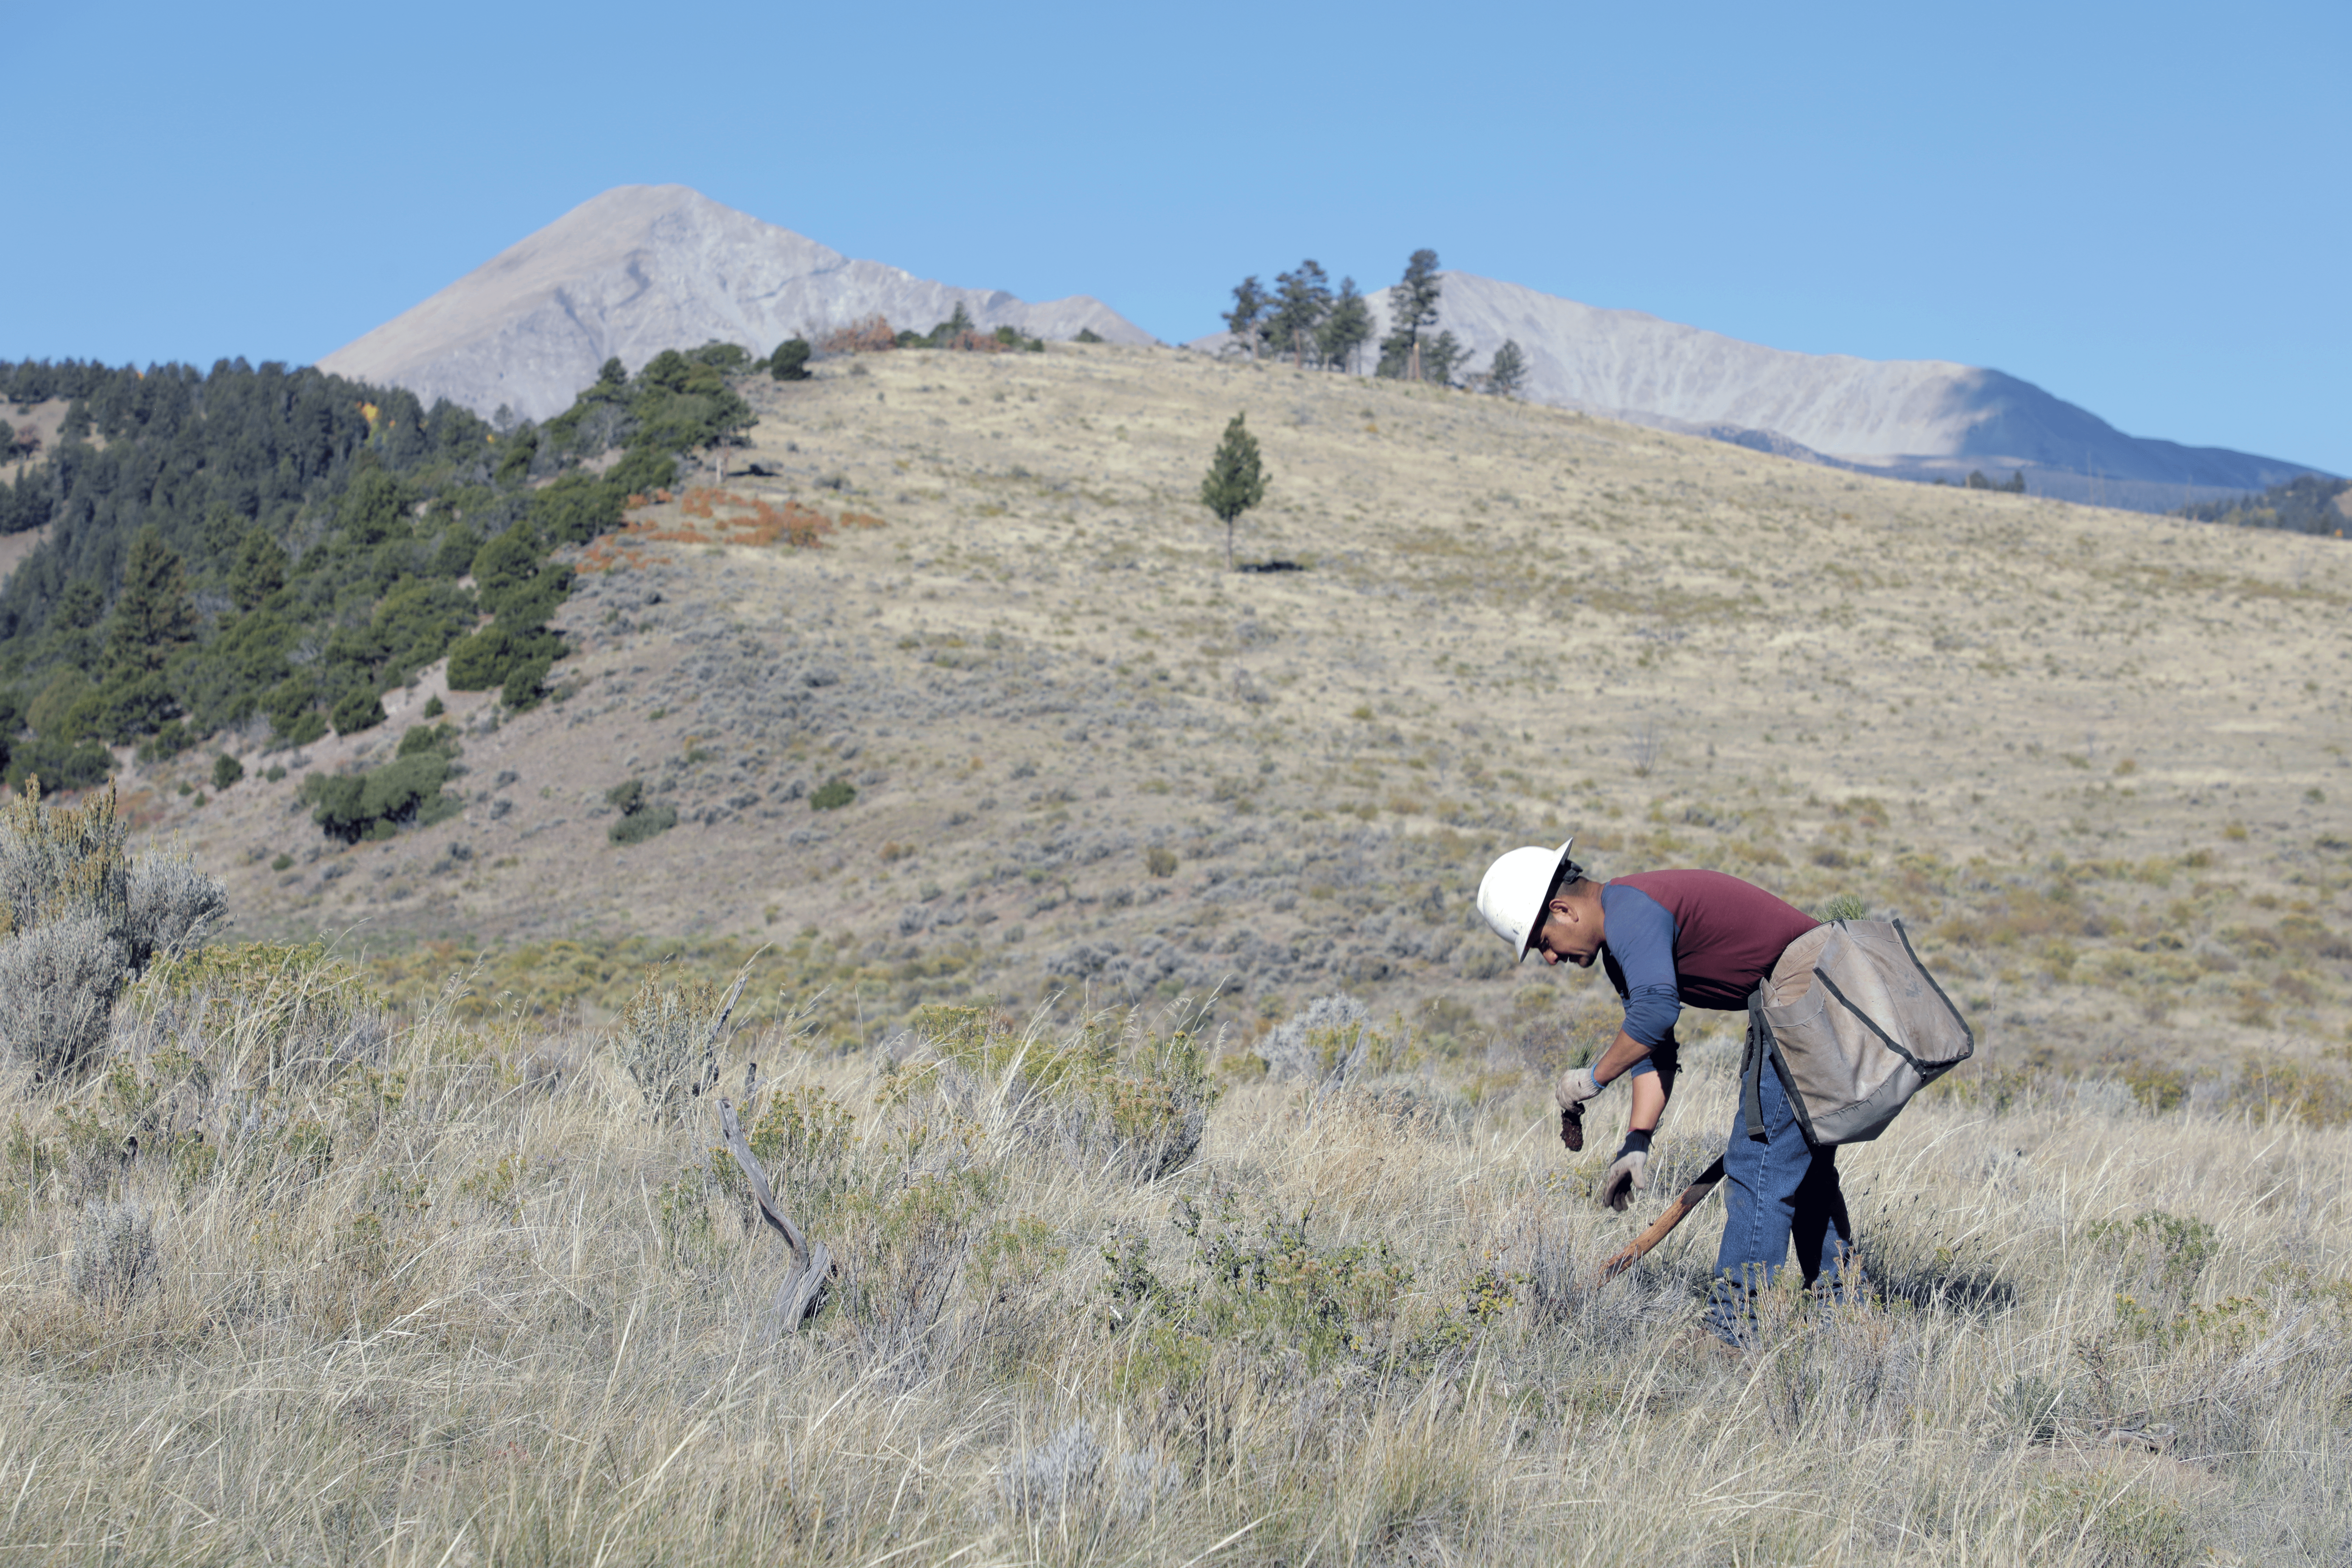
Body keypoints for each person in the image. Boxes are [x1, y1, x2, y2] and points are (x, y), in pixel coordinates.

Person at [1476, 837, 1855, 1342]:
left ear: (1563, 909)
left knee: (1759, 1161)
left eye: (1542, 941)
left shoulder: (1631, 914)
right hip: (1809, 999)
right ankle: (1844, 1310)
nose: (1549, 958)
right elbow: (1655, 1045)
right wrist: (1636, 1142)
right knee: (1799, 1167)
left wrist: (1590, 1080)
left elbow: (1656, 1014)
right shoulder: (1624, 931)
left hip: (1806, 997)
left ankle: (1733, 1331)